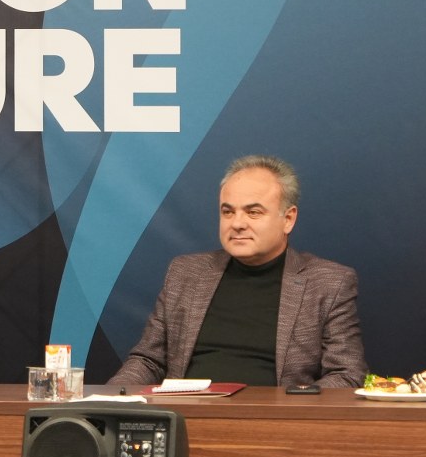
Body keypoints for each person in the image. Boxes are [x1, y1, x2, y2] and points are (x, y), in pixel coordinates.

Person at [109, 155, 366, 388]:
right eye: (228, 212)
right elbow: (148, 360)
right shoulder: (186, 273)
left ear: (288, 219)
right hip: (186, 415)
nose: (237, 223)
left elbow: (347, 374)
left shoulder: (328, 283)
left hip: (276, 419)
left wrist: (288, 405)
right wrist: (112, 397)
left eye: (253, 212)